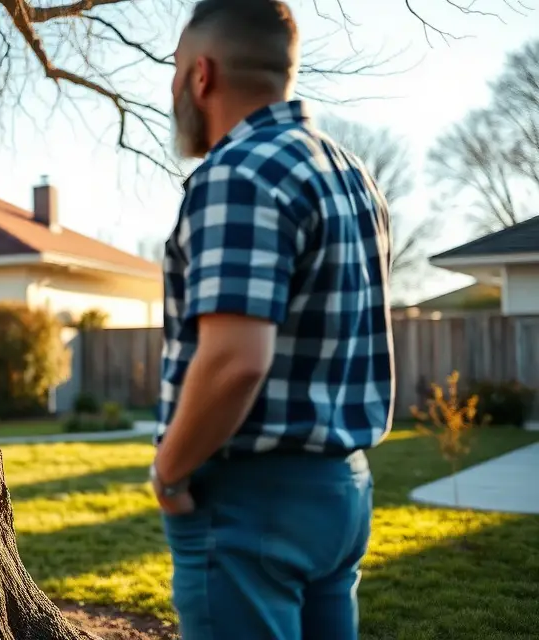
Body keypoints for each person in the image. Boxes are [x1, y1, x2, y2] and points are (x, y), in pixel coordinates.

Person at [151, 1, 394, 639]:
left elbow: (236, 361)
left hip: (249, 502)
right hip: (342, 492)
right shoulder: (353, 175)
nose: (174, 88)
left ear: (201, 75)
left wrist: (169, 472)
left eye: (175, 71)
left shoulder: (238, 172)